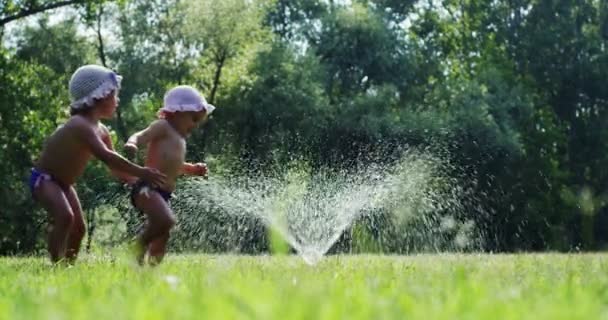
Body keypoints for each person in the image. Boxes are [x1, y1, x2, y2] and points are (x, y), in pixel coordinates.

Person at [29, 64, 167, 264]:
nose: (117, 101)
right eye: (114, 95)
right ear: (99, 97)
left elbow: (115, 167)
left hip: (64, 184)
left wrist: (139, 183)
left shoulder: (101, 130)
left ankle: (68, 266)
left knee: (79, 228)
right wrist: (143, 172)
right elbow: (107, 157)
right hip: (44, 180)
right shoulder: (79, 125)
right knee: (65, 217)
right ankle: (56, 264)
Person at [124, 85, 214, 265]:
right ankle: (137, 247)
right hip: (148, 188)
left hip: (164, 194)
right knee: (166, 220)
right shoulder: (163, 126)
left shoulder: (179, 139)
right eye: (193, 118)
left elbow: (175, 166)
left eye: (199, 121)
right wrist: (132, 143)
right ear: (175, 113)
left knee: (162, 236)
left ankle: (149, 271)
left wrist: (192, 169)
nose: (195, 125)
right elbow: (141, 135)